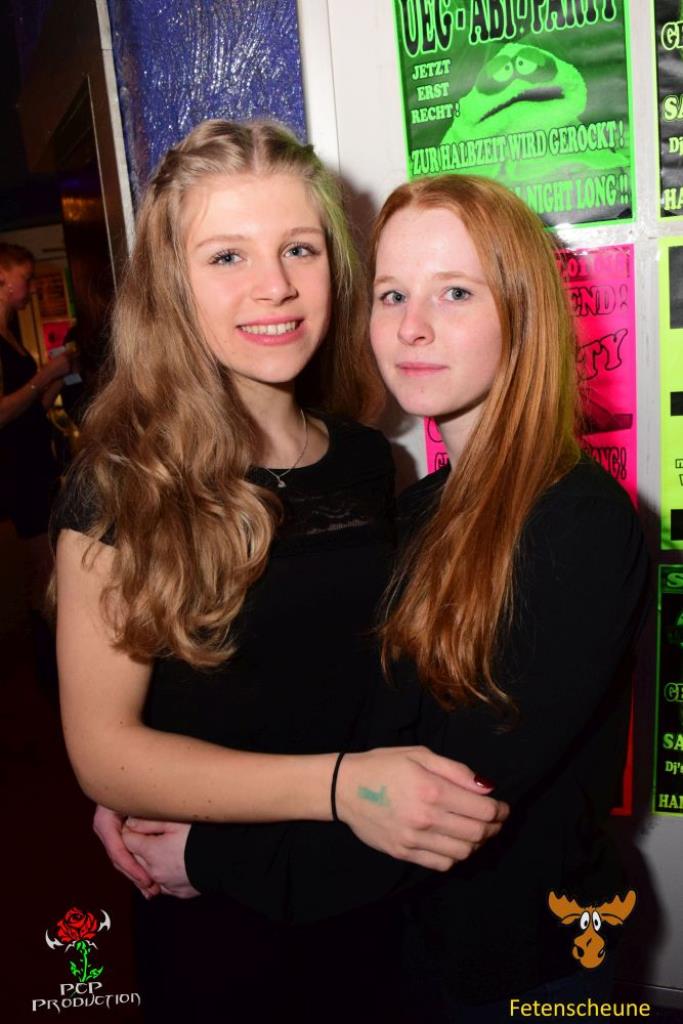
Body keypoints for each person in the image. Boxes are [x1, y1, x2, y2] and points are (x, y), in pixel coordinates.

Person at [110, 175, 649, 1022]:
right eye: (392, 294)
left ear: (522, 313)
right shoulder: (422, 504)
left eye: (455, 293)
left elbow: (446, 805)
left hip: (523, 970)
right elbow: (335, 708)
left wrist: (213, 856)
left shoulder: (576, 522)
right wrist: (161, 788)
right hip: (405, 952)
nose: (411, 328)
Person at [53, 124, 506, 1023]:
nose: (275, 286)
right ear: (171, 284)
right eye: (227, 256)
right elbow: (104, 751)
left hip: (375, 900)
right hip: (223, 912)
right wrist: (344, 790)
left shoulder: (369, 461)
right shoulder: (125, 484)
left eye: (300, 248)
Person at [0, 243, 74, 676]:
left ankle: (52, 663)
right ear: (2, 279)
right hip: (17, 472)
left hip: (33, 464)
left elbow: (31, 411)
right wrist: (44, 375)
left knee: (44, 568)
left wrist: (59, 379)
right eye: (25, 278)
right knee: (43, 573)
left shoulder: (10, 334)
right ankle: (51, 668)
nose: (29, 288)